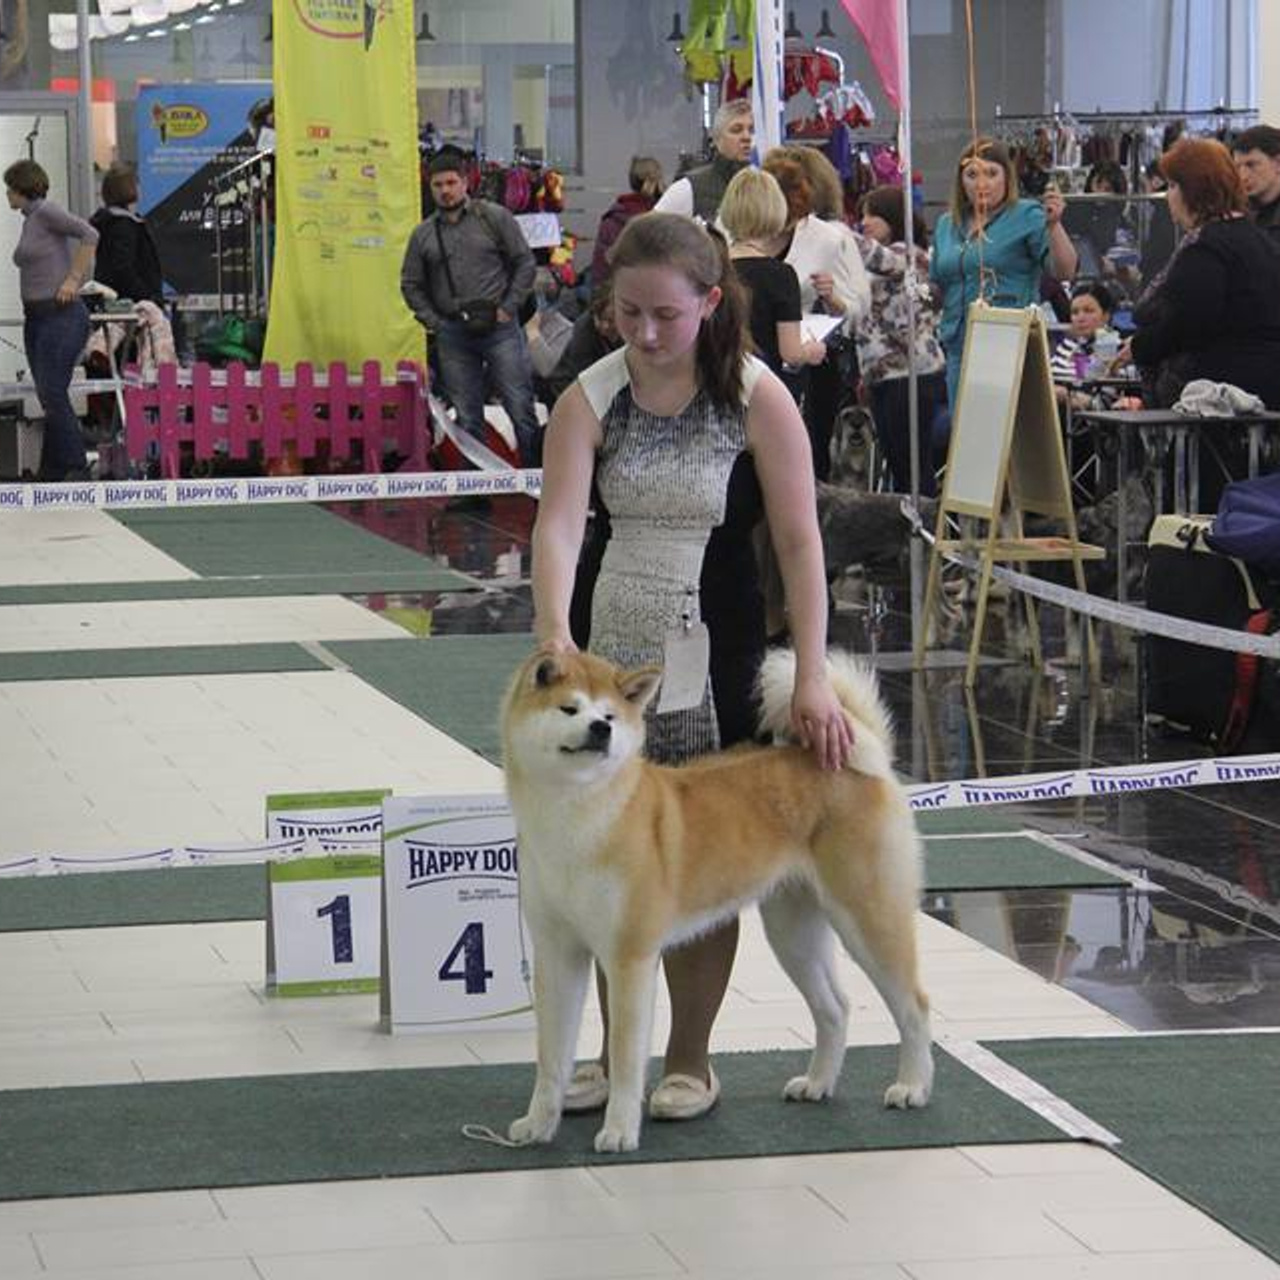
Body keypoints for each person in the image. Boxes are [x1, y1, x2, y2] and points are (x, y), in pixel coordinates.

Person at [531, 211, 853, 1122]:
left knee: (698, 863)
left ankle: (690, 1059)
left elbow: (798, 542)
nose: (643, 332)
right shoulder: (587, 398)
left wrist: (816, 672)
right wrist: (553, 628)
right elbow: (557, 525)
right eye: (627, 312)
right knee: (606, 860)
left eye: (665, 315)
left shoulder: (760, 396)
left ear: (711, 304)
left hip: (721, 641)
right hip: (608, 646)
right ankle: (610, 1055)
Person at [400, 150, 540, 465]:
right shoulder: (422, 235)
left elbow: (524, 263)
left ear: (465, 183)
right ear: (430, 187)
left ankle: (538, 486)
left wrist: (508, 307)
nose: (445, 190)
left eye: (451, 182)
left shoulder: (494, 217)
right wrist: (433, 322)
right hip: (453, 332)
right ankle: (473, 492)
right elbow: (410, 284)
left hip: (500, 327)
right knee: (466, 415)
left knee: (520, 407)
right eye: (438, 184)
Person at [1123, 137, 1280, 411]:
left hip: (1223, 398)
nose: (1168, 196)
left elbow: (1187, 325)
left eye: (1172, 186)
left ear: (1194, 190)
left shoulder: (1206, 248)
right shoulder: (1259, 239)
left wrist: (1140, 347)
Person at [930, 137, 1077, 406]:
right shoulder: (945, 224)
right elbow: (937, 285)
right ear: (960, 181)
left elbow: (1065, 271)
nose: (981, 183)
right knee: (964, 434)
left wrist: (1054, 226)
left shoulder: (1027, 215)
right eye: (972, 174)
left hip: (1007, 343)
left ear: (1006, 177)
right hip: (957, 345)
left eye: (991, 173)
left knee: (999, 433)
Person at [762, 149, 871, 480]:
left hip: (815, 365)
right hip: (763, 360)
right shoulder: (749, 234)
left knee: (811, 454)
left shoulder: (831, 237)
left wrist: (833, 298)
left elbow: (858, 306)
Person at [5, 158, 97, 482]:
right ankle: (54, 469)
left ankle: (76, 465)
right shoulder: (32, 219)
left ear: (21, 189)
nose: (6, 195)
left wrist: (73, 279)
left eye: (9, 189)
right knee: (48, 393)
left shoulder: (45, 211)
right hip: (38, 319)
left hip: (61, 316)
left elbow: (90, 233)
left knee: (53, 391)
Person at [853, 185, 947, 496]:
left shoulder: (910, 255)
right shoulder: (871, 265)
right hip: (882, 377)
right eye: (862, 215)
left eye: (873, 215)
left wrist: (831, 231)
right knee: (897, 464)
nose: (865, 222)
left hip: (911, 376)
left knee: (913, 469)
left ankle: (925, 537)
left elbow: (876, 256)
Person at [719, 167, 826, 378]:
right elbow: (791, 353)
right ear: (776, 209)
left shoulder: (711, 267)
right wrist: (812, 351)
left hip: (719, 381)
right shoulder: (781, 275)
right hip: (763, 386)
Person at [654, 99, 753, 224]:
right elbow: (646, 235)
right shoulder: (689, 189)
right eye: (736, 130)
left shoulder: (768, 188)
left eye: (752, 130)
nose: (747, 137)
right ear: (717, 139)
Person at [90, 164, 164, 305]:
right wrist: (147, 296)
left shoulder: (108, 222)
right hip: (132, 303)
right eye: (136, 183)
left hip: (114, 298)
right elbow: (123, 268)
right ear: (128, 188)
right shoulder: (124, 226)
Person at [590, 156, 663, 284]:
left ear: (632, 182)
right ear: (658, 181)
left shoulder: (613, 218)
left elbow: (601, 271)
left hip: (619, 297)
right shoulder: (667, 219)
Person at [544, 282, 620, 405]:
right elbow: (585, 380)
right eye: (599, 319)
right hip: (569, 386)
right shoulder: (583, 331)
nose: (604, 326)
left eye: (611, 321)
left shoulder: (631, 330)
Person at [1230, 123, 1280, 244]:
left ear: (1278, 163)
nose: (1242, 176)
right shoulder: (1234, 216)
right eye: (1237, 167)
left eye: (1251, 165)